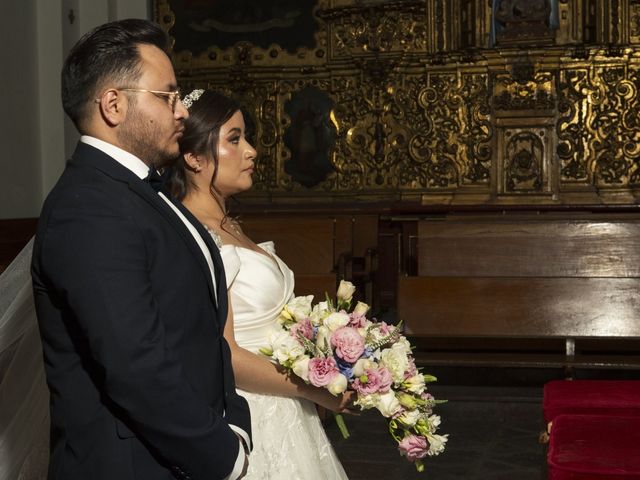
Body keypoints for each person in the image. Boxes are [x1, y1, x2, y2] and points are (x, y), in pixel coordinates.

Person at [30, 20, 251, 480]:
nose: (182, 112)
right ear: (113, 104)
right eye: (167, 96)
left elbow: (205, 332)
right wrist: (221, 455)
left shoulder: (144, 194)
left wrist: (236, 422)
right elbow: (135, 363)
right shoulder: (87, 206)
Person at [168, 88, 351, 479]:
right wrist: (318, 389)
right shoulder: (198, 238)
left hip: (284, 404)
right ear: (193, 156)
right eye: (234, 139)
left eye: (246, 137)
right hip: (249, 412)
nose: (251, 150)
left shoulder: (226, 223)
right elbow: (225, 355)